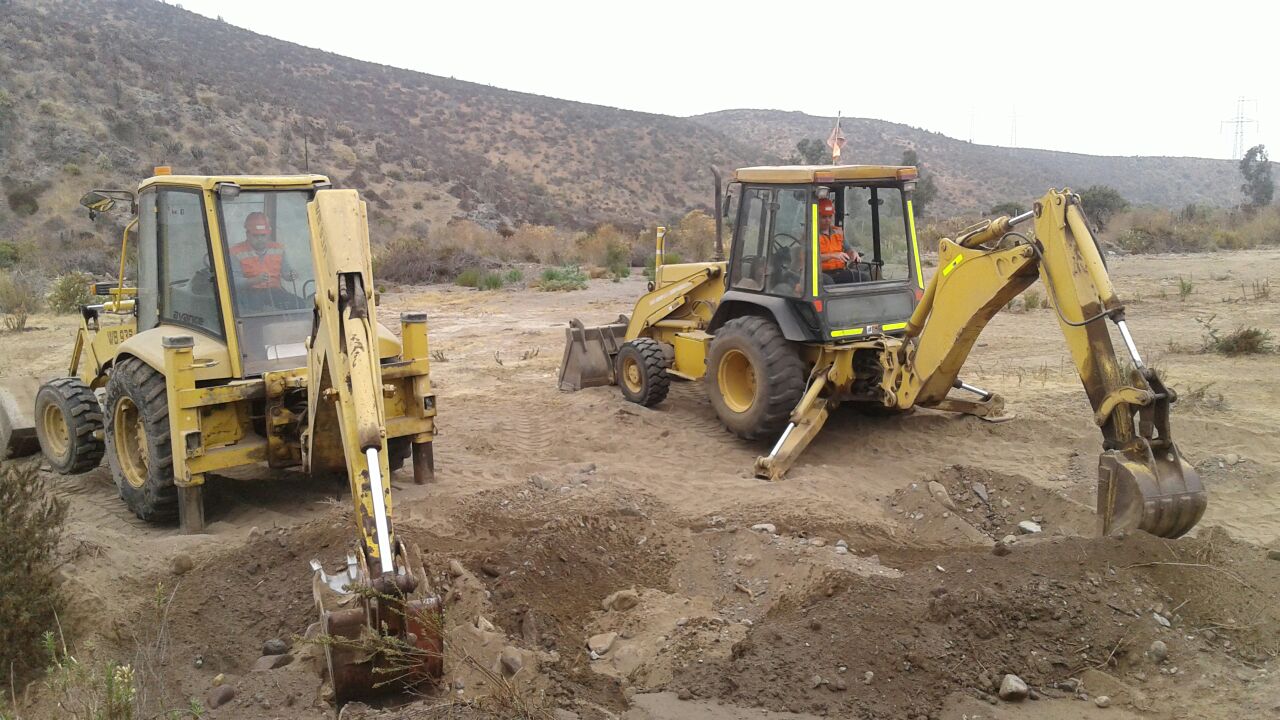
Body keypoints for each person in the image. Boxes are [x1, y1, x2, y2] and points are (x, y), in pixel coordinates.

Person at [229, 211, 295, 292]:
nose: (260, 239)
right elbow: (232, 281)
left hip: (275, 292)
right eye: (255, 235)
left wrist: (291, 275)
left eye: (263, 235)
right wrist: (254, 280)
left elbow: (286, 272)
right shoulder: (236, 252)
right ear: (247, 234)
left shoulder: (278, 249)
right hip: (248, 295)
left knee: (300, 303)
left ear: (268, 234)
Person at [817, 197, 863, 284]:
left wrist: (853, 254)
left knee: (864, 277)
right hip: (819, 273)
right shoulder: (810, 235)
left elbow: (848, 249)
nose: (828, 220)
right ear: (816, 216)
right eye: (824, 217)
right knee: (829, 282)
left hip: (839, 271)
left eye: (830, 217)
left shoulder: (838, 232)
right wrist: (833, 255)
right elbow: (810, 258)